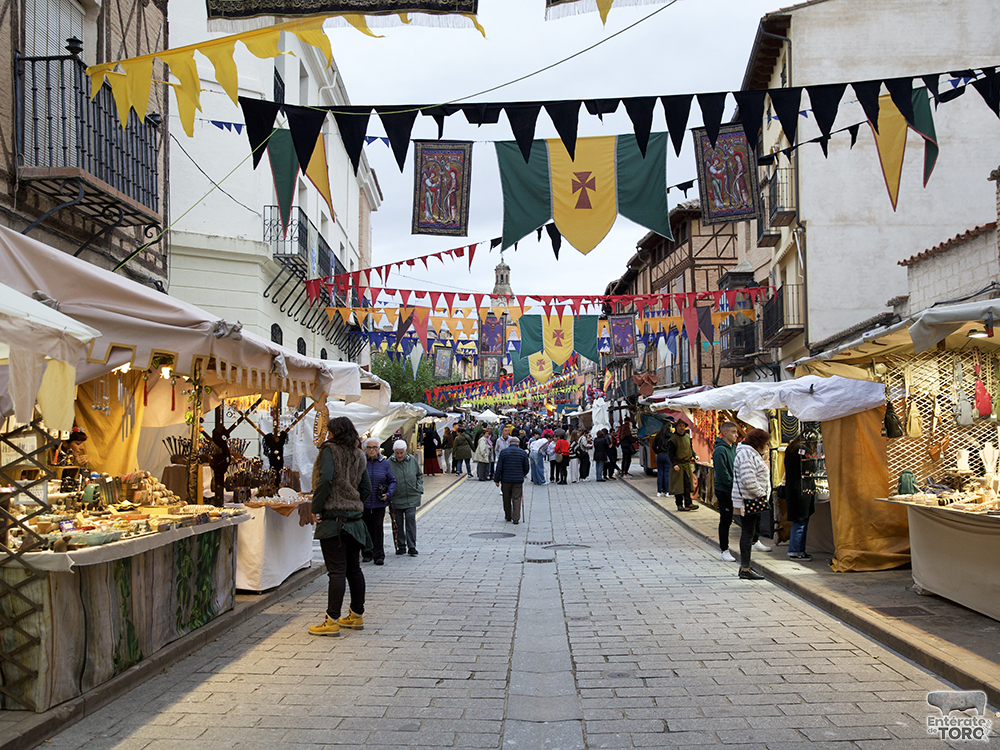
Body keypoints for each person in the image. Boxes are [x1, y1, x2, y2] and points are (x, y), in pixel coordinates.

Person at [308, 416, 372, 637]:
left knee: (336, 571)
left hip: (333, 519)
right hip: (354, 520)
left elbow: (325, 479)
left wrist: (316, 507)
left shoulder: (330, 450)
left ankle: (332, 619)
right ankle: (356, 615)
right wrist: (354, 503)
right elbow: (366, 487)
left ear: (335, 432)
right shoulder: (358, 453)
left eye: (330, 431)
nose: (328, 435)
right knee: (354, 569)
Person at [733, 428, 771, 580]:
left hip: (751, 500)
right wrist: (761, 494)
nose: (767, 447)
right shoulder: (747, 454)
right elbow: (748, 480)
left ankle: (746, 567)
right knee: (747, 534)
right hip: (750, 500)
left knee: (749, 533)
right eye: (766, 444)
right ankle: (745, 568)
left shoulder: (749, 453)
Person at [362, 437, 396, 565]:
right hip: (364, 502)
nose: (372, 450)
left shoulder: (384, 463)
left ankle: (378, 555)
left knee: (377, 527)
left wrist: (388, 494)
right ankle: (366, 553)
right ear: (365, 449)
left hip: (379, 502)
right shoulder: (361, 462)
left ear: (378, 449)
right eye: (369, 447)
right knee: (365, 527)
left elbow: (392, 481)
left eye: (375, 447)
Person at [389, 439, 422, 557]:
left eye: (401, 453)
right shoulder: (389, 462)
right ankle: (401, 546)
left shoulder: (412, 460)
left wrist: (419, 488)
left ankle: (412, 546)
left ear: (405, 451)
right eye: (397, 453)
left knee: (410, 519)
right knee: (398, 522)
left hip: (411, 496)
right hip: (396, 497)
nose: (399, 455)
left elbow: (419, 474)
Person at [783, 434, 814, 561]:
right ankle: (795, 550)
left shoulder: (790, 449)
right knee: (800, 522)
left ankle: (798, 550)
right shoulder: (802, 451)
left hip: (793, 490)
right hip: (801, 491)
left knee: (799, 521)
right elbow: (811, 467)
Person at [713, 422, 739, 562]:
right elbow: (723, 474)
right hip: (724, 489)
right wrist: (732, 485)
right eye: (734, 432)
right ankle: (724, 549)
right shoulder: (720, 451)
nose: (736, 435)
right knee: (726, 519)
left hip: (733, 488)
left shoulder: (733, 448)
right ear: (725, 434)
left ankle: (753, 541)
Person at [494, 436, 530, 524]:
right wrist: (522, 474)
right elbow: (527, 467)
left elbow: (499, 467)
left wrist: (496, 479)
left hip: (505, 479)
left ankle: (508, 516)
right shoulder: (523, 453)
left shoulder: (503, 452)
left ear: (509, 443)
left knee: (506, 498)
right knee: (517, 498)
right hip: (517, 480)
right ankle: (516, 518)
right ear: (518, 443)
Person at [668, 420, 698, 511]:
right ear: (676, 427)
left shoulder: (687, 437)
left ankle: (688, 503)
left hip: (686, 464)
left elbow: (690, 448)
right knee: (678, 486)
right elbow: (671, 453)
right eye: (680, 426)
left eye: (683, 426)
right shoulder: (673, 439)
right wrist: (674, 464)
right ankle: (679, 504)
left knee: (687, 485)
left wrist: (695, 455)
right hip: (678, 465)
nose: (682, 427)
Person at [653, 419, 674, 497]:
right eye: (671, 427)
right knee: (667, 474)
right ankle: (667, 491)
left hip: (660, 455)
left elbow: (653, 446)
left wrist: (657, 452)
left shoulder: (658, 435)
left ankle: (659, 491)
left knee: (660, 473)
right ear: (668, 427)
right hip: (668, 456)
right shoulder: (671, 436)